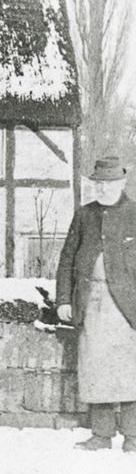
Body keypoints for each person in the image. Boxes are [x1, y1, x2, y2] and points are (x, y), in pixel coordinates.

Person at [56, 156, 136, 453]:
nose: (103, 188)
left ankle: (133, 437)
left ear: (122, 182)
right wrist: (64, 299)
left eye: (109, 183)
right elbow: (66, 259)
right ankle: (101, 435)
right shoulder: (84, 215)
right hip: (92, 304)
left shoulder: (135, 213)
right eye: (98, 183)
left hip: (128, 308)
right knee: (96, 368)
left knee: (130, 372)